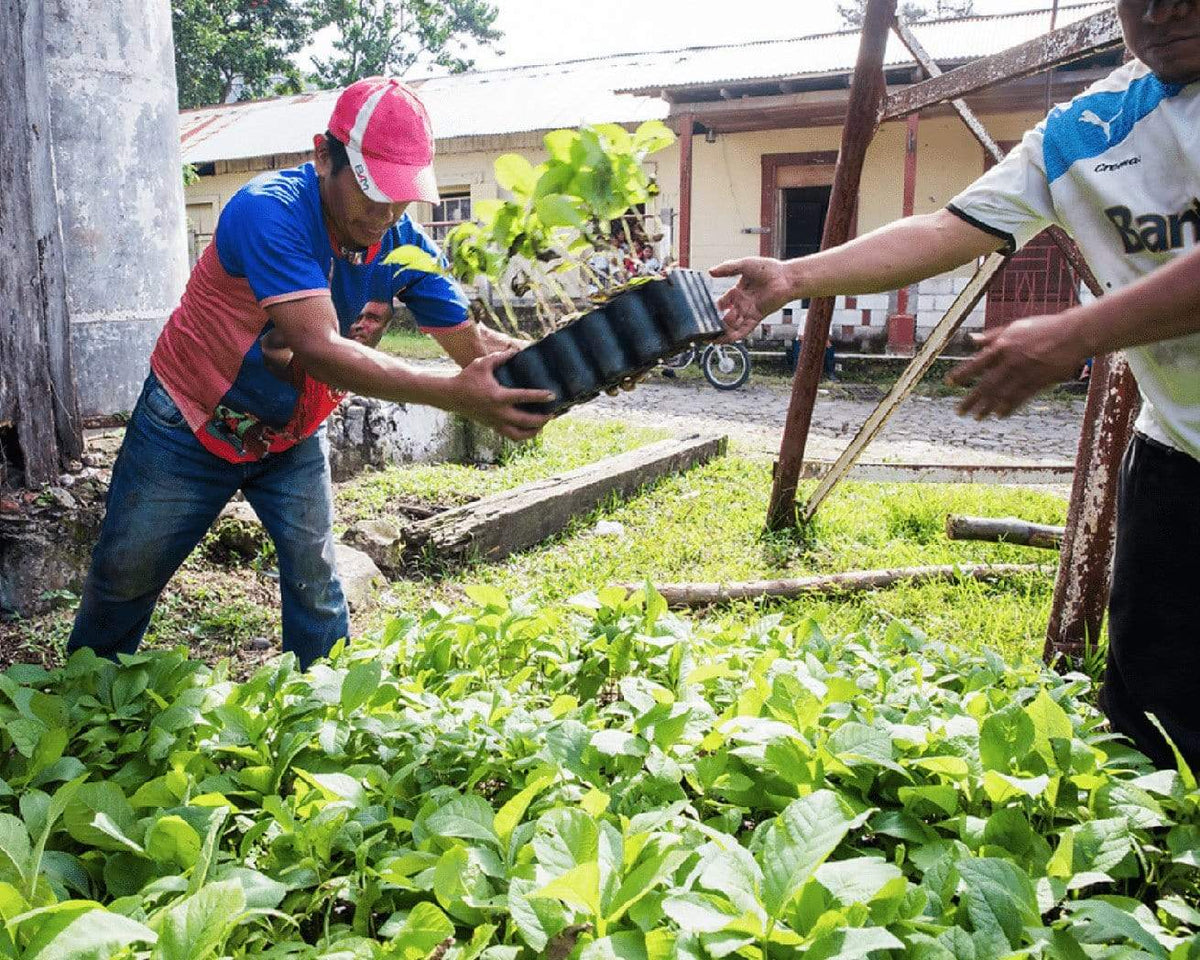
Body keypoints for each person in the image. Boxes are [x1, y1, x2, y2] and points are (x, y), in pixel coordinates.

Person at [713, 0, 1200, 770]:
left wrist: (1078, 331)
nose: (1164, 9)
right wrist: (792, 275)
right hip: (1177, 455)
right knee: (1153, 720)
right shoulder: (1089, 128)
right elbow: (947, 228)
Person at [67, 77, 553, 669]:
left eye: (401, 197)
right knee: (125, 576)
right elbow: (318, 348)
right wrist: (456, 396)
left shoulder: (403, 243)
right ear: (325, 155)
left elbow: (472, 344)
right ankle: (82, 709)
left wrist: (567, 367)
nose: (386, 214)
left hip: (289, 435)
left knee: (317, 587)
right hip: (189, 421)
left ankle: (319, 715)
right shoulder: (267, 212)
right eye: (373, 192)